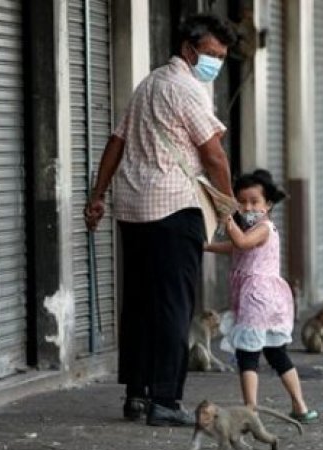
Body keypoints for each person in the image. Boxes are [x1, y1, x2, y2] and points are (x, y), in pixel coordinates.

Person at [84, 15, 238, 426]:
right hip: (173, 208)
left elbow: (115, 142)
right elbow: (213, 154)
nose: (216, 63)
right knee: (174, 305)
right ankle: (166, 401)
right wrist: (229, 205)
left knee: (139, 303)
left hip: (133, 209)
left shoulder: (148, 84)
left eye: (222, 57)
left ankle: (137, 394)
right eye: (211, 54)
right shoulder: (186, 88)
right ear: (189, 50)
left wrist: (98, 195)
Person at [205, 170, 318, 423]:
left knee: (248, 355)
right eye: (242, 202)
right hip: (264, 299)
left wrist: (227, 219)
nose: (248, 207)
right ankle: (300, 406)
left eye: (254, 202)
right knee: (277, 353)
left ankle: (250, 411)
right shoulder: (252, 228)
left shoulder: (264, 227)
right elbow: (235, 248)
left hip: (257, 299)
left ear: (267, 204)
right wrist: (206, 245)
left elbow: (242, 243)